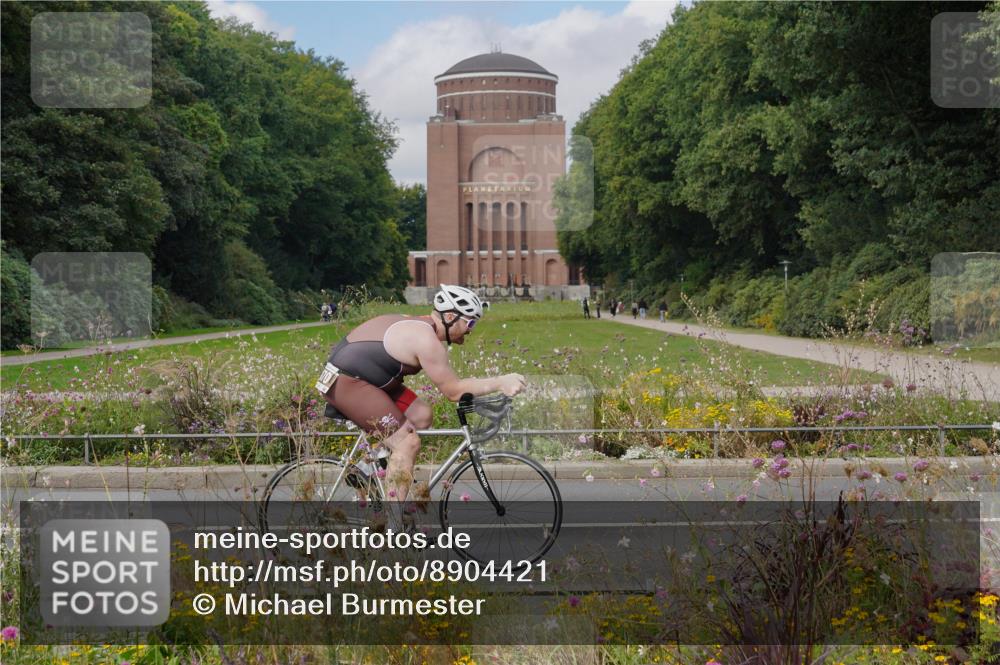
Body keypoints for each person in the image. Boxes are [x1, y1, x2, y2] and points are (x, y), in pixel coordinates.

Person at [317, 284, 526, 503]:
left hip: (368, 378)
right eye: (470, 322)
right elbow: (453, 391)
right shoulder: (426, 340)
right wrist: (500, 382)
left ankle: (365, 468)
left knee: (422, 414)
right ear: (451, 316)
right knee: (407, 443)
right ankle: (394, 528)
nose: (471, 330)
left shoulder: (420, 324)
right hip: (349, 382)